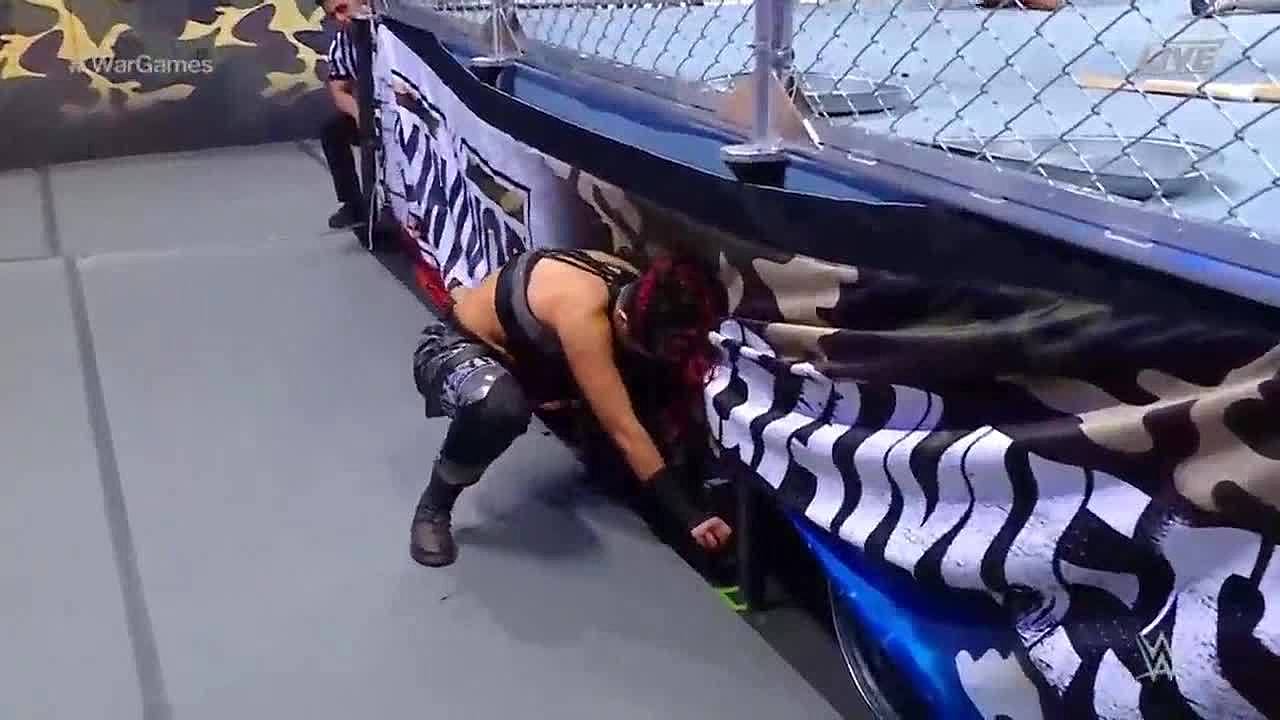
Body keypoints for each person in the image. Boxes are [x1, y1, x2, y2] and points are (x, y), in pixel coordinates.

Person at [409, 248, 734, 567]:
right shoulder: (583, 312)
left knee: (652, 380)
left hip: (531, 362)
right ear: (623, 319)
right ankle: (434, 506)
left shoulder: (640, 291)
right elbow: (624, 428)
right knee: (499, 408)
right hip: (452, 351)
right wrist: (689, 515)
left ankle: (615, 466)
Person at [318, 0, 366, 229]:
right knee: (332, 130)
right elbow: (339, 91)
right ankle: (353, 204)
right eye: (332, 15)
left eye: (343, 8)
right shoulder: (341, 43)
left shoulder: (394, 34)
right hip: (370, 110)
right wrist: (360, 116)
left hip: (407, 110)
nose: (339, 18)